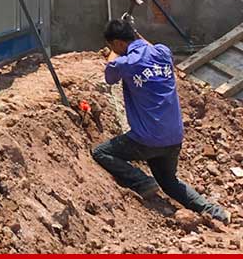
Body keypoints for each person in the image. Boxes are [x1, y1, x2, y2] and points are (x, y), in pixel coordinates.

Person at [92, 18, 230, 224]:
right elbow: (147, 46)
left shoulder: (126, 63)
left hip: (146, 139)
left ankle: (142, 181)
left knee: (101, 152)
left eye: (112, 45)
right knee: (169, 182)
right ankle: (214, 211)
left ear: (118, 43)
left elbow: (110, 74)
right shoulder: (162, 52)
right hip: (174, 137)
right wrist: (134, 34)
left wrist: (115, 51)